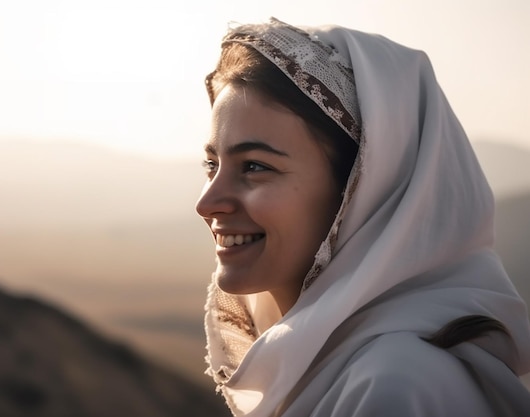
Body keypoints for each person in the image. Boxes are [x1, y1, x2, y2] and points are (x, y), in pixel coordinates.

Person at [195, 17, 530, 416]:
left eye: (254, 166)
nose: (207, 202)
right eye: (212, 164)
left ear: (360, 193)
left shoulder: (394, 387)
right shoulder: (329, 365)